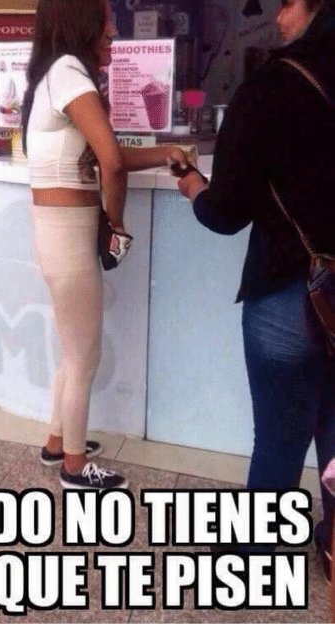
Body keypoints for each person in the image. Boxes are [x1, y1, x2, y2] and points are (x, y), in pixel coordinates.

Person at [178, 0, 335, 581]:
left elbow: (225, 212)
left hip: (292, 292)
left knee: (280, 432)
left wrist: (193, 186)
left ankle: (255, 554)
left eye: (287, 3)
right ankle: (334, 545)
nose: (278, 16)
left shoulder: (272, 85)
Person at [22, 0, 188, 490]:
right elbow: (111, 163)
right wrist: (115, 223)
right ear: (81, 23)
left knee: (73, 349)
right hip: (69, 237)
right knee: (84, 356)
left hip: (58, 233)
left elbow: (107, 154)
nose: (114, 31)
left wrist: (165, 152)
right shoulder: (69, 72)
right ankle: (75, 470)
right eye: (106, 20)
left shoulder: (54, 74)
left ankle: (58, 444)